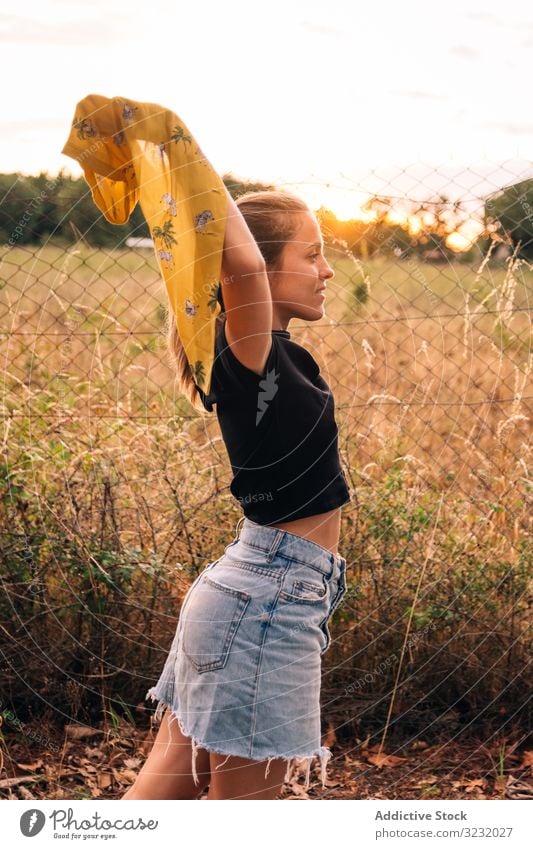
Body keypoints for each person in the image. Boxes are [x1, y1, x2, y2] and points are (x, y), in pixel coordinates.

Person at [122, 188, 351, 801]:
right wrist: (185, 164)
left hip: (246, 592)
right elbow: (241, 266)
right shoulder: (247, 348)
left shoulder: (272, 354)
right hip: (268, 602)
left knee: (165, 792)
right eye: (312, 255)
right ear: (261, 267)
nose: (327, 271)